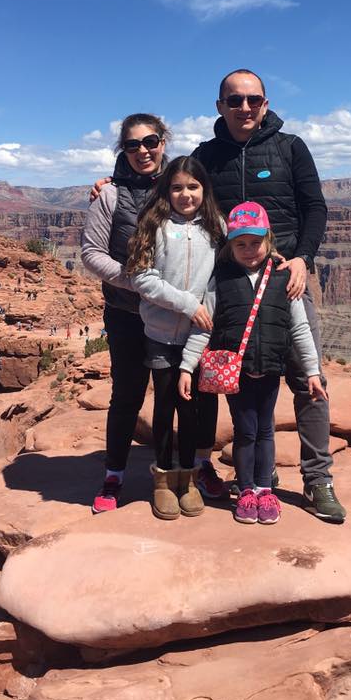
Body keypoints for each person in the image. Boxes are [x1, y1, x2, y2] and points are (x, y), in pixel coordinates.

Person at [90, 68, 344, 523]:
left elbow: (315, 208)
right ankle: (233, 476)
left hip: (287, 280)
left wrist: (303, 257)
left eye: (253, 99)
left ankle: (317, 478)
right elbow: (174, 192)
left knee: (307, 379)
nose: (244, 107)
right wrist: (108, 184)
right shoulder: (206, 156)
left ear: (265, 103)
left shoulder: (291, 148)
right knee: (229, 386)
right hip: (222, 290)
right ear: (220, 106)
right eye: (234, 100)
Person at [179, 203, 325, 526]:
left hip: (270, 370)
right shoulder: (222, 280)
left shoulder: (283, 276)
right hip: (237, 374)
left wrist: (312, 371)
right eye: (240, 243)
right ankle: (246, 489)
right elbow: (204, 324)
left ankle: (264, 489)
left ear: (268, 239)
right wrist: (187, 366)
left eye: (255, 242)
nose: (248, 250)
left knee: (266, 430)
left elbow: (300, 328)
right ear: (230, 244)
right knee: (246, 431)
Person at [80, 113, 170, 513]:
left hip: (173, 315)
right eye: (132, 145)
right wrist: (137, 283)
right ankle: (114, 474)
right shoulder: (110, 196)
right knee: (127, 395)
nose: (143, 151)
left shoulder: (183, 186)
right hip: (126, 312)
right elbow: (91, 253)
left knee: (173, 395)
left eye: (150, 142)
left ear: (163, 142)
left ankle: (174, 474)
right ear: (123, 150)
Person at [127, 156, 225, 519]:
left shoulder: (216, 228)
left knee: (193, 409)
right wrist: (187, 304)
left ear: (204, 190)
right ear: (167, 190)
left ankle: (189, 478)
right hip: (160, 334)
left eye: (193, 187)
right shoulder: (154, 225)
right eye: (177, 187)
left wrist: (204, 314)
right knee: (165, 405)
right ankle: (164, 480)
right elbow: (141, 278)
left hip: (198, 335)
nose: (186, 194)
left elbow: (218, 283)